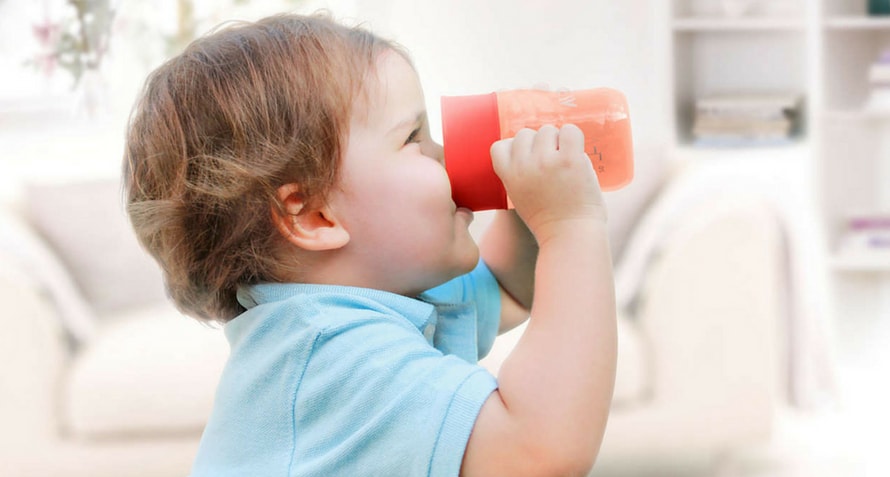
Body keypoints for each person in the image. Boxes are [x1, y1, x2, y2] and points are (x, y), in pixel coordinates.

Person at [123, 12, 616, 477]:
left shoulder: (379, 300)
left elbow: (511, 291)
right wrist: (570, 224)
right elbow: (539, 451)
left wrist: (527, 206)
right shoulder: (331, 356)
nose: (446, 156)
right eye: (414, 139)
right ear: (314, 216)